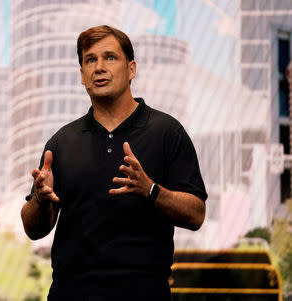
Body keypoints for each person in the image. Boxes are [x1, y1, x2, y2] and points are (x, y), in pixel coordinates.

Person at [21, 25, 207, 300]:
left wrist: (151, 190)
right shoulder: (61, 142)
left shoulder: (167, 132)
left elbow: (196, 215)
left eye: (110, 57)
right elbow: (34, 229)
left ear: (131, 69)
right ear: (82, 75)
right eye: (90, 60)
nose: (99, 67)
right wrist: (40, 199)